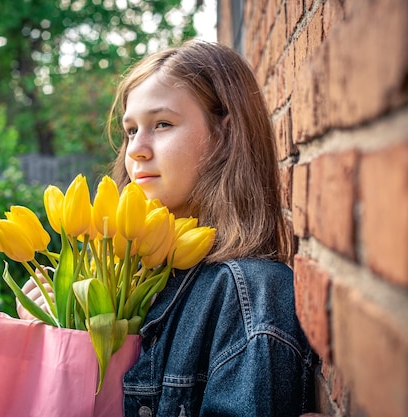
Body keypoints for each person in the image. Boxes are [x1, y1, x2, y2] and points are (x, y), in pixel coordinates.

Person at [19, 39, 314, 417]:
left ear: (225, 135)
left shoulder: (250, 296)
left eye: (162, 124)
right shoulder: (116, 278)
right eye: (130, 131)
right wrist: (60, 327)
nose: (137, 150)